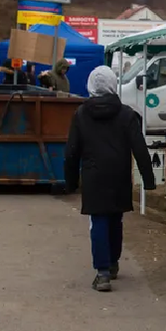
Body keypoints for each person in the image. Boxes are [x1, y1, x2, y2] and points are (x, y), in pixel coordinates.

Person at [64, 66, 155, 292]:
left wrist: (70, 180)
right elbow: (140, 147)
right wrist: (148, 177)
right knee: (116, 220)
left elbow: (72, 151)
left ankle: (102, 272)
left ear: (91, 86)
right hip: (119, 174)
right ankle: (113, 262)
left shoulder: (81, 114)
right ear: (113, 84)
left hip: (94, 175)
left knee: (99, 222)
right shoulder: (126, 114)